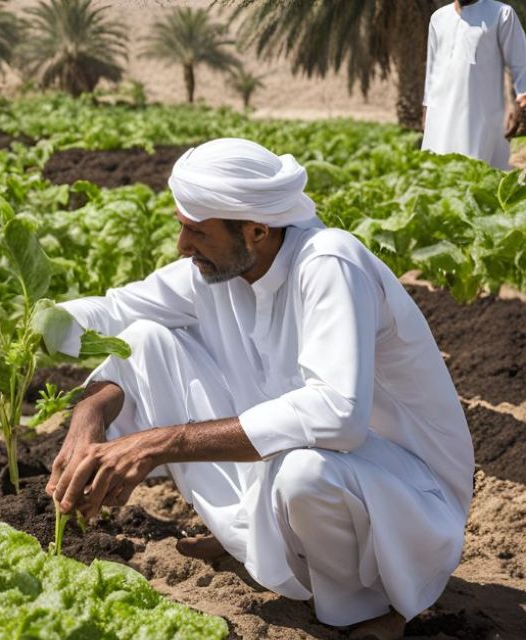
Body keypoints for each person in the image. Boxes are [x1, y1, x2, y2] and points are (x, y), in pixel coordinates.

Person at [39, 139, 474, 639]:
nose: (182, 245)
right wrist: (78, 398)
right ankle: (256, 539)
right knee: (145, 341)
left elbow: (338, 416)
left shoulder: (330, 264)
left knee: (305, 472)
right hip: (320, 474)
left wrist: (157, 443)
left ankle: (377, 606)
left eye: (196, 231)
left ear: (256, 230)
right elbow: (116, 313)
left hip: (407, 499)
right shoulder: (221, 271)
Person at [423, 0, 526, 169]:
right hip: (440, 113)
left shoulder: (502, 14)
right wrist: (427, 106)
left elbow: (520, 59)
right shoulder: (438, 18)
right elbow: (433, 68)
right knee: (436, 169)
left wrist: (521, 97)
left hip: (482, 112)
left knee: (478, 172)